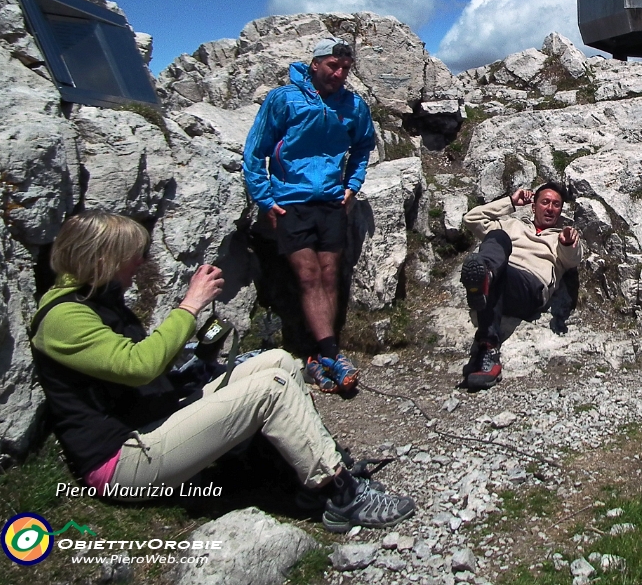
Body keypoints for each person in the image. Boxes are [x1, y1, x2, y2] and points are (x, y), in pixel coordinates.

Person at [29, 210, 415, 531]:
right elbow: (140, 366)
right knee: (271, 387)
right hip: (121, 462)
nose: (140, 263)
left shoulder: (95, 300)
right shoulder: (64, 317)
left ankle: (306, 474)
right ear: (102, 262)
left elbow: (127, 374)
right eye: (132, 255)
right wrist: (190, 304)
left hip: (150, 423)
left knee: (278, 360)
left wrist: (191, 368)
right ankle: (342, 493)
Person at [243, 38, 375, 394]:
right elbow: (255, 151)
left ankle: (320, 355)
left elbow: (364, 145)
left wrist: (353, 183)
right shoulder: (284, 99)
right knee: (308, 274)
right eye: (333, 65)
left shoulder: (353, 105)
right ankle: (329, 353)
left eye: (345, 68)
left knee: (330, 273)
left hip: (332, 200)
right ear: (314, 64)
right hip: (290, 200)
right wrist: (265, 198)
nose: (339, 73)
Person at [459, 182, 584, 390]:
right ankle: (487, 345)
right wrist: (510, 202)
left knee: (500, 273)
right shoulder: (512, 225)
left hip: (530, 288)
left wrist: (568, 243)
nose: (550, 208)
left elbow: (573, 260)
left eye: (556, 204)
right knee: (497, 237)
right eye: (545, 202)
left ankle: (486, 281)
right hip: (500, 273)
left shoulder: (560, 237)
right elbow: (471, 219)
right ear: (533, 206)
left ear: (560, 211)